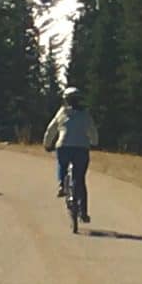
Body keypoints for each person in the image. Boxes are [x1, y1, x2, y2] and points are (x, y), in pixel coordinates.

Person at [43, 86, 98, 215]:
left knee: (62, 164)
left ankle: (62, 184)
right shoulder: (85, 114)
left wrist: (47, 144)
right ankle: (83, 211)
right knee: (80, 179)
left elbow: (51, 130)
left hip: (63, 146)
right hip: (82, 148)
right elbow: (93, 131)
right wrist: (94, 142)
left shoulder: (62, 112)